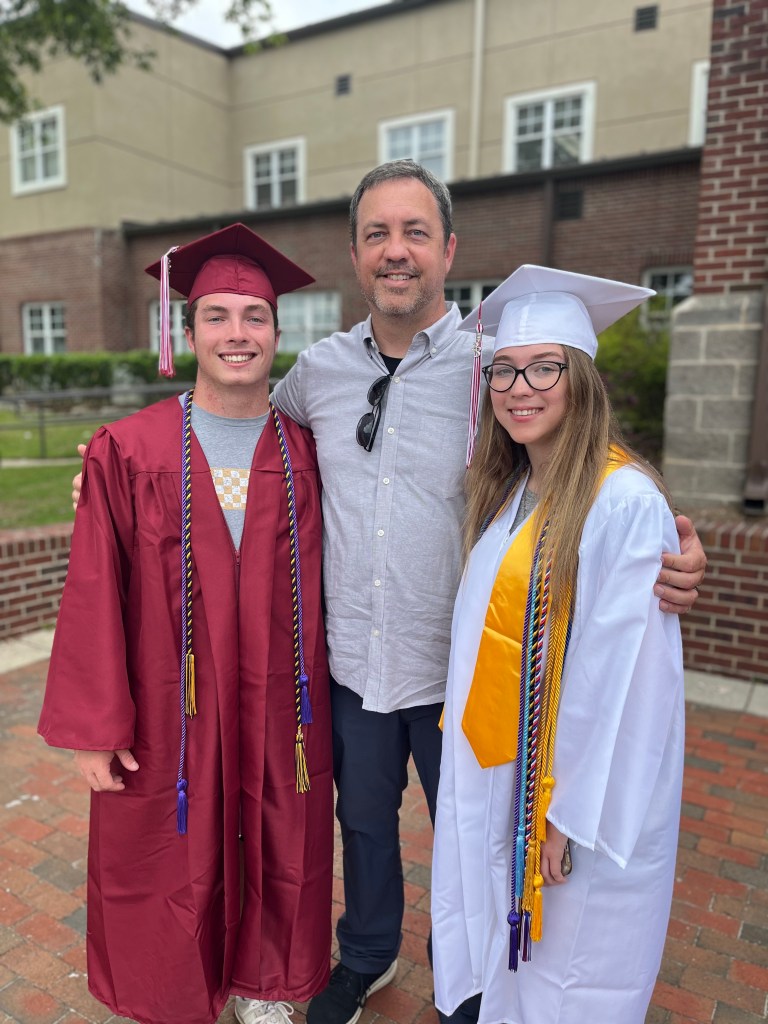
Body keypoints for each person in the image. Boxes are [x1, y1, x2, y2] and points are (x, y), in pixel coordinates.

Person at [70, 162, 706, 1024]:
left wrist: (670, 543)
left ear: (449, 249)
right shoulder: (318, 373)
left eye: (414, 232)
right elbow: (232, 427)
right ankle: (367, 954)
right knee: (362, 827)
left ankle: (471, 977)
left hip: (464, 676)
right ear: (356, 254)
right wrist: (107, 474)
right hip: (350, 669)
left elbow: (583, 459)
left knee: (474, 838)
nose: (395, 250)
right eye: (377, 234)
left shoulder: (497, 371)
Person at [40, 223, 334, 1024]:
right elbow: (94, 589)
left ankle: (261, 983)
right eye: (217, 316)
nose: (238, 333)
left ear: (277, 331)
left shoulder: (310, 452)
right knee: (171, 847)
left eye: (254, 316)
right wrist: (96, 729)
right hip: (170, 703)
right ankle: (175, 986)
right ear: (188, 331)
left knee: (277, 835)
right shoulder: (127, 450)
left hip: (278, 701)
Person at [431, 265, 685, 1024]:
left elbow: (627, 685)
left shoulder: (624, 502)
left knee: (569, 980)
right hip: (507, 778)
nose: (521, 387)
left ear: (581, 380)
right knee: (515, 972)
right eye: (504, 369)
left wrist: (563, 817)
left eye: (545, 367)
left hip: (572, 806)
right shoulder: (513, 490)